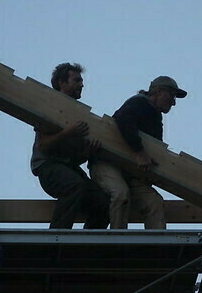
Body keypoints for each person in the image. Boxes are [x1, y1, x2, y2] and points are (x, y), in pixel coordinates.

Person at [89, 76, 187, 229]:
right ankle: (117, 244)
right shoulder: (139, 102)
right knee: (120, 194)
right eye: (171, 95)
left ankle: (157, 249)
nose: (173, 102)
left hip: (131, 172)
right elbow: (124, 120)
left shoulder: (156, 118)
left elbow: (157, 151)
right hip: (107, 164)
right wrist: (139, 152)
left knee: (154, 203)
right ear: (158, 91)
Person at [31, 62, 110, 229]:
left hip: (68, 168)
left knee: (102, 201)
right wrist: (68, 132)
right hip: (48, 167)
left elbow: (74, 158)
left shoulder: (78, 113)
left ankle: (89, 244)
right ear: (62, 82)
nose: (82, 84)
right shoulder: (51, 106)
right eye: (77, 80)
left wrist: (87, 152)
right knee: (74, 185)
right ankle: (57, 236)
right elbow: (43, 145)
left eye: (81, 81)